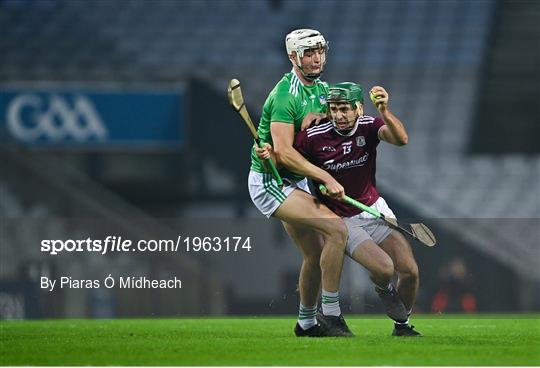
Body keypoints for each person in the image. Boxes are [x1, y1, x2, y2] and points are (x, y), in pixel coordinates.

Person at [258, 82, 422, 336]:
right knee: (384, 269)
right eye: (333, 109)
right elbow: (286, 160)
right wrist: (269, 156)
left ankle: (402, 326)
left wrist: (385, 111)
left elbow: (401, 139)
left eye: (345, 109)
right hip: (344, 219)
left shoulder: (369, 125)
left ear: (359, 108)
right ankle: (383, 289)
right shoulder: (314, 137)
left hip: (374, 208)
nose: (339, 115)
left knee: (410, 271)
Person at [248, 29, 352, 337]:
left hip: (295, 182)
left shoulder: (322, 89)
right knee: (337, 230)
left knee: (315, 252)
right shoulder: (285, 95)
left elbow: (323, 135)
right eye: (309, 52)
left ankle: (306, 323)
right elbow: (284, 154)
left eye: (320, 50)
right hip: (271, 182)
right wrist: (323, 176)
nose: (317, 57)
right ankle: (331, 314)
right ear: (294, 57)